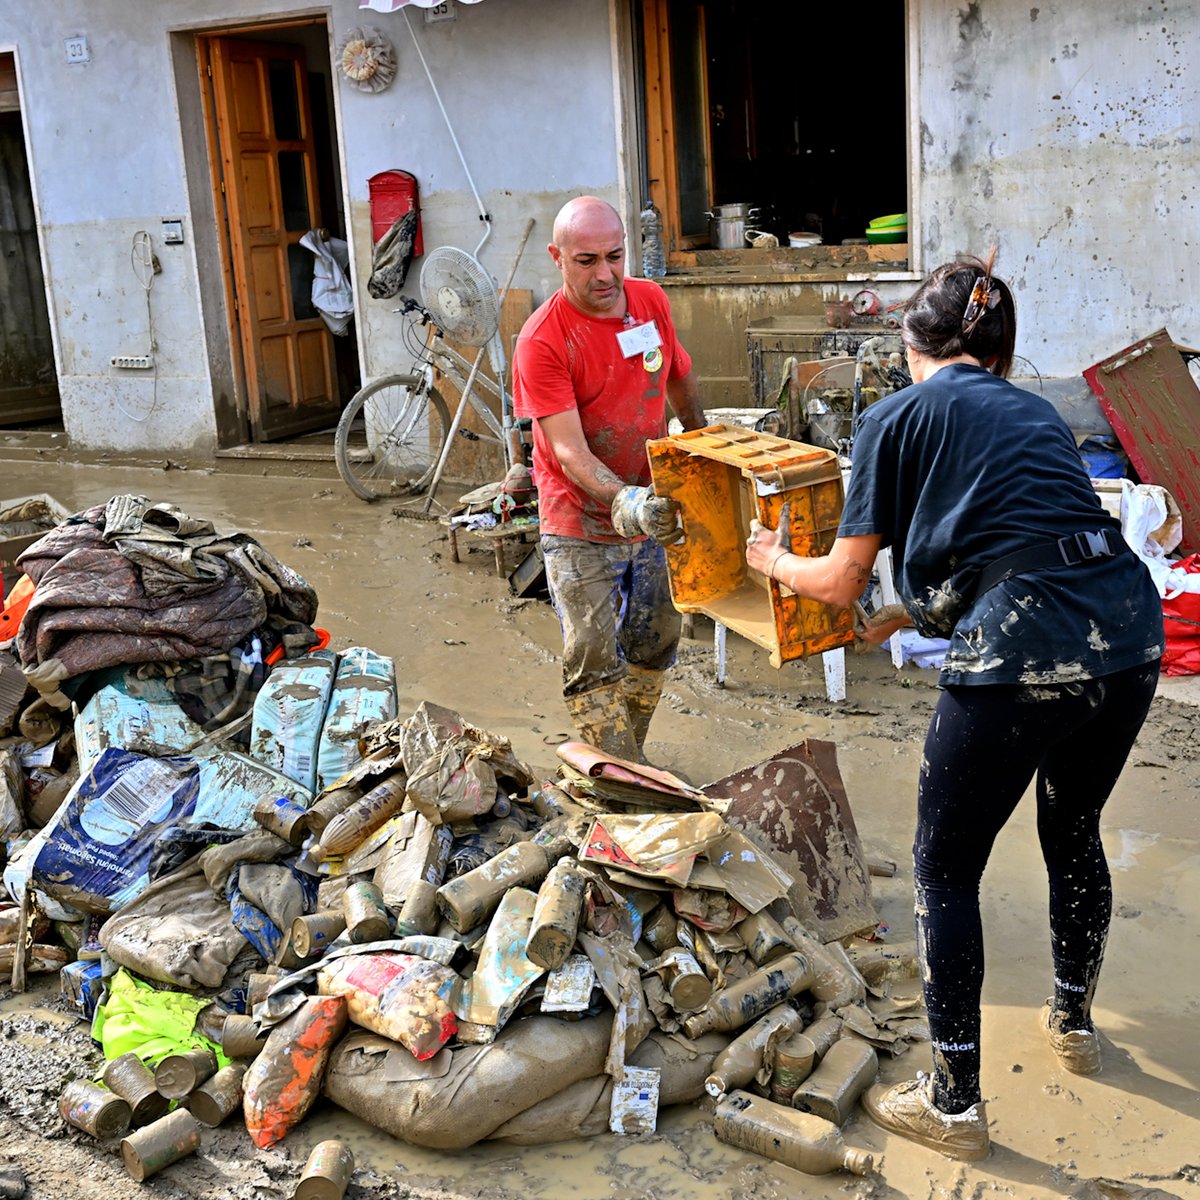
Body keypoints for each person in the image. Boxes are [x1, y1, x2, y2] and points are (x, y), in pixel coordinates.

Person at [745, 251, 1164, 1162]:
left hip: (1023, 647)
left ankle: (955, 1104)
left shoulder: (898, 415)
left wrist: (770, 562)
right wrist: (904, 613)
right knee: (1075, 828)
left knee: (943, 869)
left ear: (910, 344)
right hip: (1128, 635)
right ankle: (1074, 1025)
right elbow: (1020, 544)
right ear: (1004, 358)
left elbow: (839, 577)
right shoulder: (1040, 415)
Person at [512, 196, 706, 760]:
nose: (605, 274)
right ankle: (618, 777)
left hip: (656, 508)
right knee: (592, 651)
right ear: (557, 257)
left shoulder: (648, 301)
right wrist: (626, 500)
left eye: (615, 257)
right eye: (586, 260)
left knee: (657, 637)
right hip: (578, 515)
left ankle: (628, 757)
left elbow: (680, 379)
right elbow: (567, 449)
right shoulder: (543, 339)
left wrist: (706, 448)